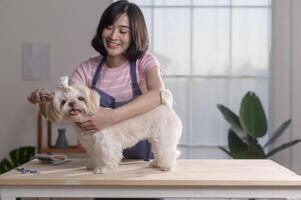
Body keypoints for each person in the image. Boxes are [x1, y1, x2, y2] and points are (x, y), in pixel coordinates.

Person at [28, 0, 164, 161]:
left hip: (140, 163)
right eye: (109, 27)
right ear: (101, 29)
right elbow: (61, 108)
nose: (114, 36)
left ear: (135, 34)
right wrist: (44, 101)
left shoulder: (144, 61)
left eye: (123, 31)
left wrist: (112, 117)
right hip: (102, 159)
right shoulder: (88, 69)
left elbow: (158, 95)